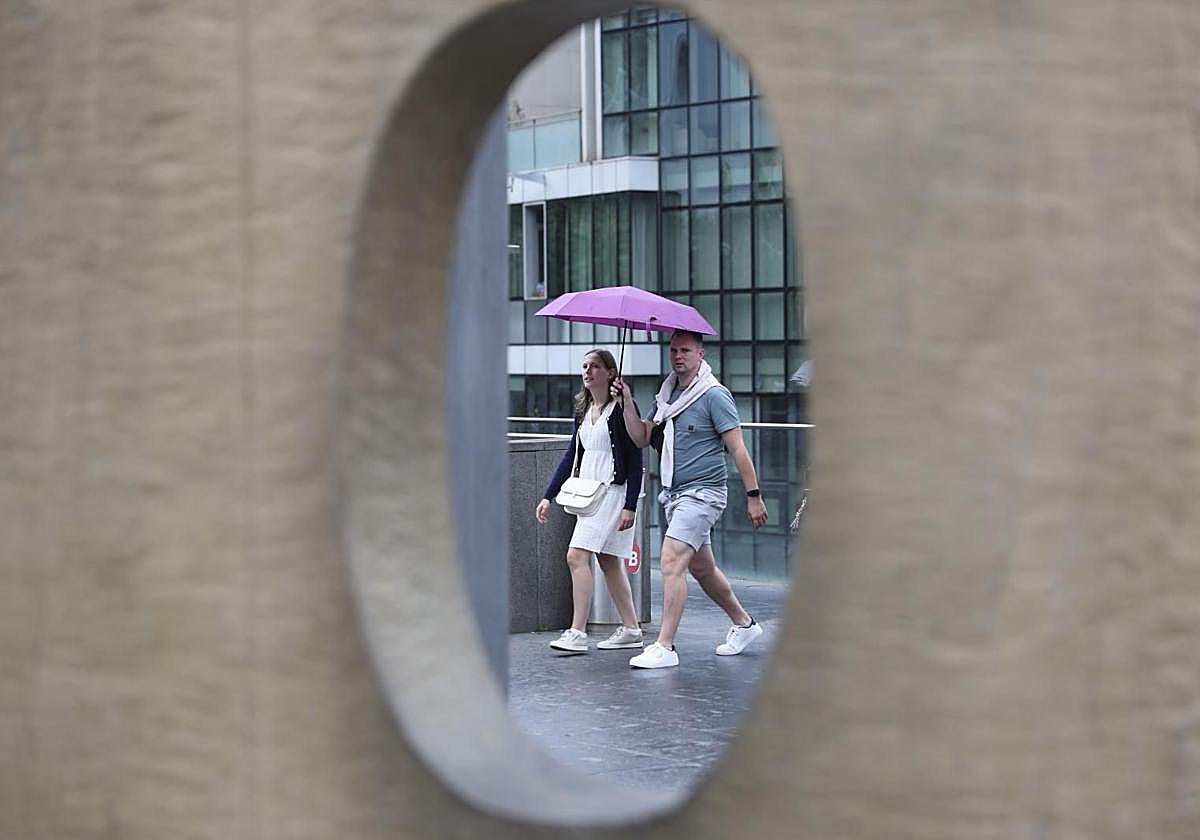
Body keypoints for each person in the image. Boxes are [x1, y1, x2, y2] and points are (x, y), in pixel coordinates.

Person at [611, 330, 768, 669]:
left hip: (704, 493)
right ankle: (745, 624)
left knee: (671, 561)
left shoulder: (714, 395)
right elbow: (641, 437)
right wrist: (626, 402)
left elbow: (738, 448)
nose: (678, 356)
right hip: (674, 495)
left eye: (685, 350)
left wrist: (754, 496)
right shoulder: (667, 396)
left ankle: (665, 646)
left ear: (700, 354)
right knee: (702, 568)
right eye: (673, 351)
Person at [536, 349, 646, 653]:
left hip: (613, 493)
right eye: (585, 366)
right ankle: (632, 629)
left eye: (595, 366)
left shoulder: (622, 408)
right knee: (608, 561)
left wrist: (630, 505)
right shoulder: (583, 410)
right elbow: (571, 455)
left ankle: (577, 632)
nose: (588, 371)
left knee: (575, 556)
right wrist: (548, 495)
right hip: (589, 495)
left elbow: (635, 459)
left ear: (610, 373)